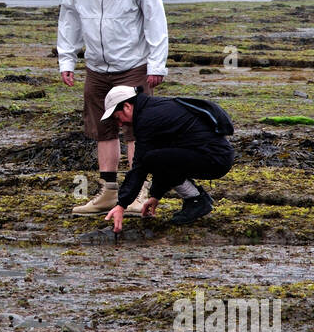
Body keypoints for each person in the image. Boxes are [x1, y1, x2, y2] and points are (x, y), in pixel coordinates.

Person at [56, 0, 169, 216]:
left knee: (135, 131)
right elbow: (69, 17)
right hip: (96, 67)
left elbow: (155, 17)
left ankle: (138, 193)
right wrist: (66, 59)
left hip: (132, 65)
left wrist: (157, 65)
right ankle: (108, 192)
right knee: (101, 130)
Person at [98, 84, 235, 233]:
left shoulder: (148, 118)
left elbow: (140, 166)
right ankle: (195, 199)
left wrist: (121, 205)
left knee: (150, 159)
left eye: (117, 118)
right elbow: (167, 158)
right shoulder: (154, 108)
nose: (119, 124)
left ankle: (196, 200)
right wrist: (156, 195)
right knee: (156, 157)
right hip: (216, 156)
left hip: (214, 159)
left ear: (127, 106)